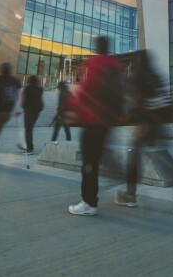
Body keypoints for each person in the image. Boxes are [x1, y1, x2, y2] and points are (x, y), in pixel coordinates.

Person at [115, 50, 173, 215]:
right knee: (167, 161)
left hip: (146, 127)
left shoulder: (138, 78)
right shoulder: (157, 77)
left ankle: (130, 195)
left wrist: (134, 121)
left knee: (134, 159)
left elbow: (137, 104)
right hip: (160, 125)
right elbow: (170, 102)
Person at [67, 36, 124, 216]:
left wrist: (72, 108)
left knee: (89, 162)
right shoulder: (116, 64)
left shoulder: (95, 63)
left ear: (96, 47)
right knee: (97, 157)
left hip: (92, 119)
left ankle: (89, 202)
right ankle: (123, 177)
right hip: (108, 121)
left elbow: (87, 88)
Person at [18, 75, 44, 154]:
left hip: (29, 111)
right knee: (29, 129)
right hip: (37, 112)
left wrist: (22, 107)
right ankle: (26, 145)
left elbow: (23, 99)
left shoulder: (27, 88)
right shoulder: (40, 89)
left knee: (28, 129)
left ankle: (29, 148)